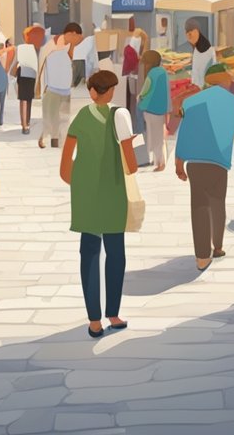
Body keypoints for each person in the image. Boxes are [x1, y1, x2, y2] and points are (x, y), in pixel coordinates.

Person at [60, 70, 136, 338]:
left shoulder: (80, 117)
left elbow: (65, 166)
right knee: (116, 254)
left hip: (86, 196)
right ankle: (113, 314)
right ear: (112, 91)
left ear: (92, 92)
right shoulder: (121, 116)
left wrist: (81, 185)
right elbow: (132, 164)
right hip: (113, 193)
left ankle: (94, 320)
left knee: (89, 254)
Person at [174, 66, 234, 271]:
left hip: (195, 161)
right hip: (219, 161)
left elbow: (184, 133)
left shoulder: (191, 102)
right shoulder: (232, 101)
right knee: (217, 201)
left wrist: (179, 161)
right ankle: (218, 246)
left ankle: (202, 256)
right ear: (224, 80)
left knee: (199, 205)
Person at [37, 24, 82, 148]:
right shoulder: (51, 45)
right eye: (77, 36)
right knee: (52, 119)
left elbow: (71, 60)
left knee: (64, 119)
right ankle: (49, 140)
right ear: (71, 34)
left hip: (66, 90)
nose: (79, 39)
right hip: (52, 88)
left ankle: (59, 143)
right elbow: (41, 66)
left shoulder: (70, 47)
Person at [138, 49, 170, 171]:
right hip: (161, 109)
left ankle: (159, 162)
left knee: (153, 136)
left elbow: (146, 89)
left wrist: (140, 96)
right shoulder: (163, 72)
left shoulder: (151, 74)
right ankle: (158, 161)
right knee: (159, 136)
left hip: (150, 108)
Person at [10, 26, 43, 135]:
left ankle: (24, 125)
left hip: (23, 73)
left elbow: (16, 61)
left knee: (23, 100)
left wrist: (12, 72)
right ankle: (26, 122)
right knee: (28, 99)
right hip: (32, 75)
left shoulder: (21, 47)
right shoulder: (37, 49)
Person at [122, 29, 147, 132]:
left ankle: (136, 128)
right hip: (133, 80)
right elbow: (135, 67)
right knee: (135, 105)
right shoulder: (131, 51)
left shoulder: (129, 49)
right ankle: (137, 129)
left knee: (135, 105)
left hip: (132, 79)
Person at [185, 19, 216, 90]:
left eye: (189, 34)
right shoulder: (208, 47)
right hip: (206, 86)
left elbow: (197, 75)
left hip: (201, 88)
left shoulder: (199, 50)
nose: (188, 38)